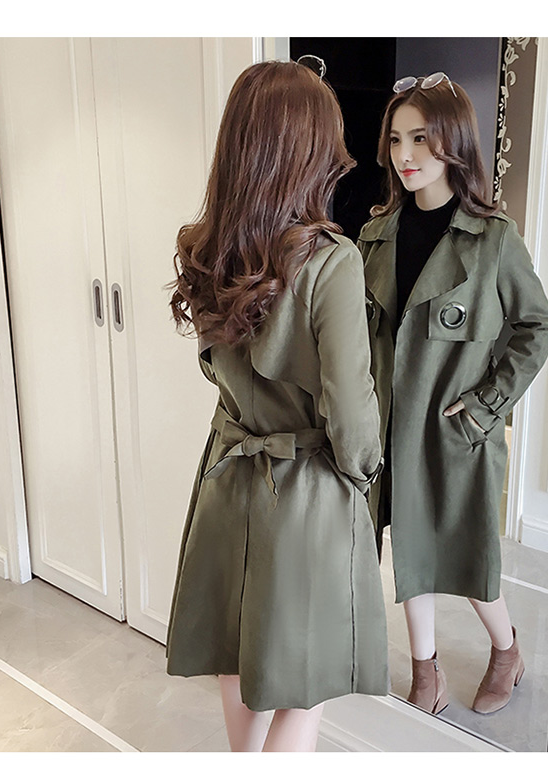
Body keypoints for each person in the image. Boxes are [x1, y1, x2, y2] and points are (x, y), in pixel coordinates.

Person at [165, 58, 388, 752]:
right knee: (303, 680)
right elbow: (351, 408)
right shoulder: (332, 261)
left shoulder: (209, 248)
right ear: (308, 150)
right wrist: (364, 476)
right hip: (305, 492)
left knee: (239, 651)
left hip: (226, 476)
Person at [358, 73, 548, 716]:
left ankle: (507, 650)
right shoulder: (375, 237)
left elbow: (538, 326)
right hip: (388, 429)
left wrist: (486, 405)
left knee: (469, 559)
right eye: (395, 139)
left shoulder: (493, 239)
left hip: (454, 432)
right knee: (408, 554)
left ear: (453, 141)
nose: (405, 154)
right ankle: (427, 670)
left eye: (420, 138)